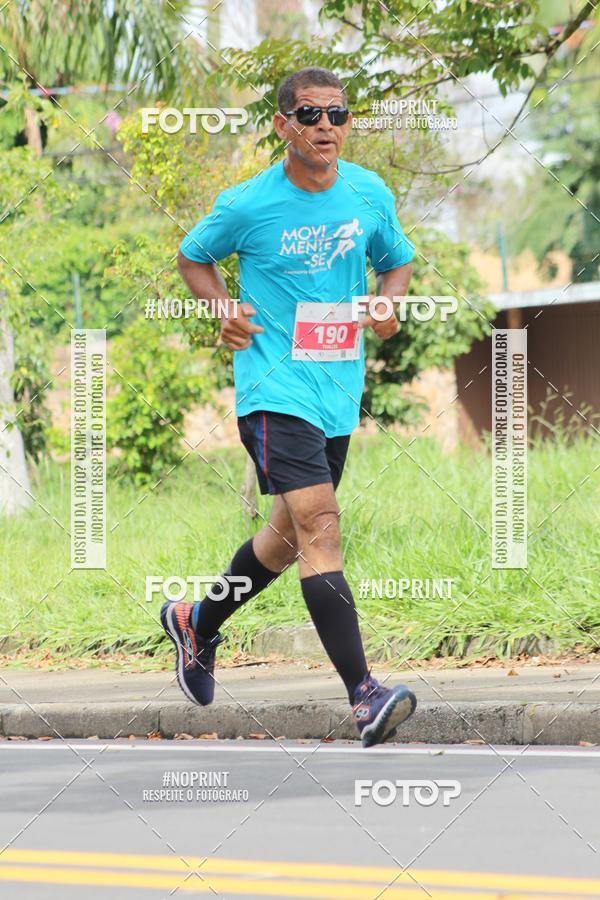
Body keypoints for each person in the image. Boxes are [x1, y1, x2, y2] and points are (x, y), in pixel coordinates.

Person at [161, 66, 417, 747]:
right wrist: (225, 310)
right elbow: (192, 257)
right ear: (282, 125)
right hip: (273, 388)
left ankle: (194, 622)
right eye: (309, 115)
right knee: (321, 525)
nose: (325, 126)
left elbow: (397, 260)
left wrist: (388, 301)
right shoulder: (249, 204)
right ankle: (364, 695)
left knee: (282, 540)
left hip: (337, 388)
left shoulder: (369, 193)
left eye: (337, 114)